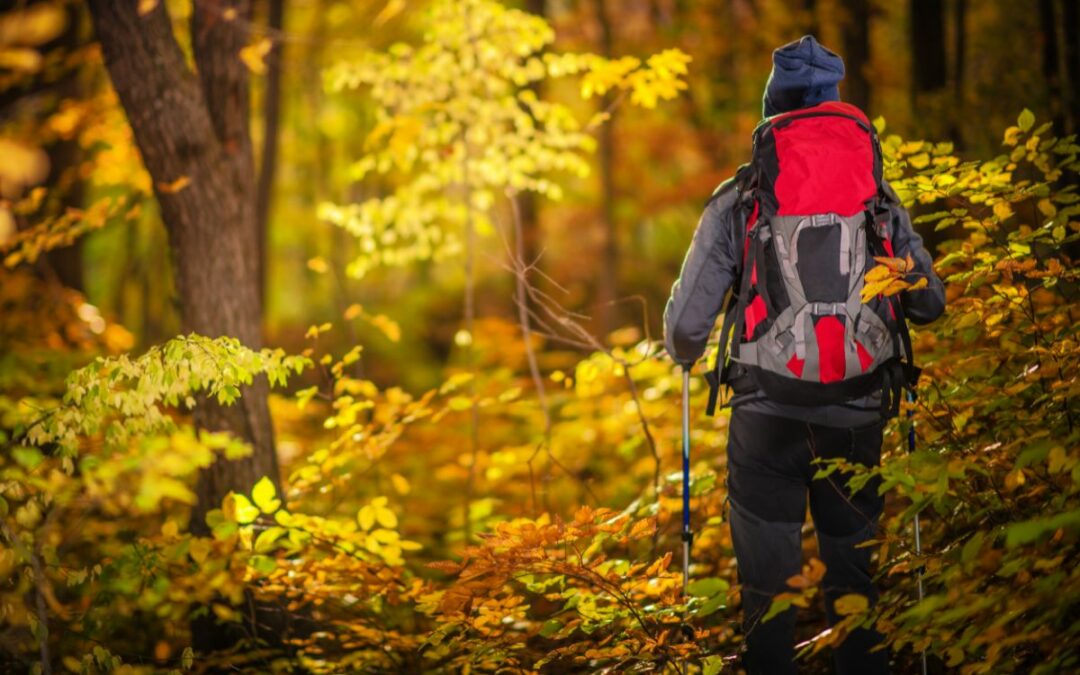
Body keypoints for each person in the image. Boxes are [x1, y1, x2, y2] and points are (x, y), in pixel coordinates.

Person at [663, 36, 946, 675]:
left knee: (769, 601)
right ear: (836, 105)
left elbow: (686, 327)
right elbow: (930, 303)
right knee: (854, 592)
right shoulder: (877, 201)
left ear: (774, 110)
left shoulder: (742, 198)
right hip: (858, 412)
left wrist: (683, 351)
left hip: (766, 416)